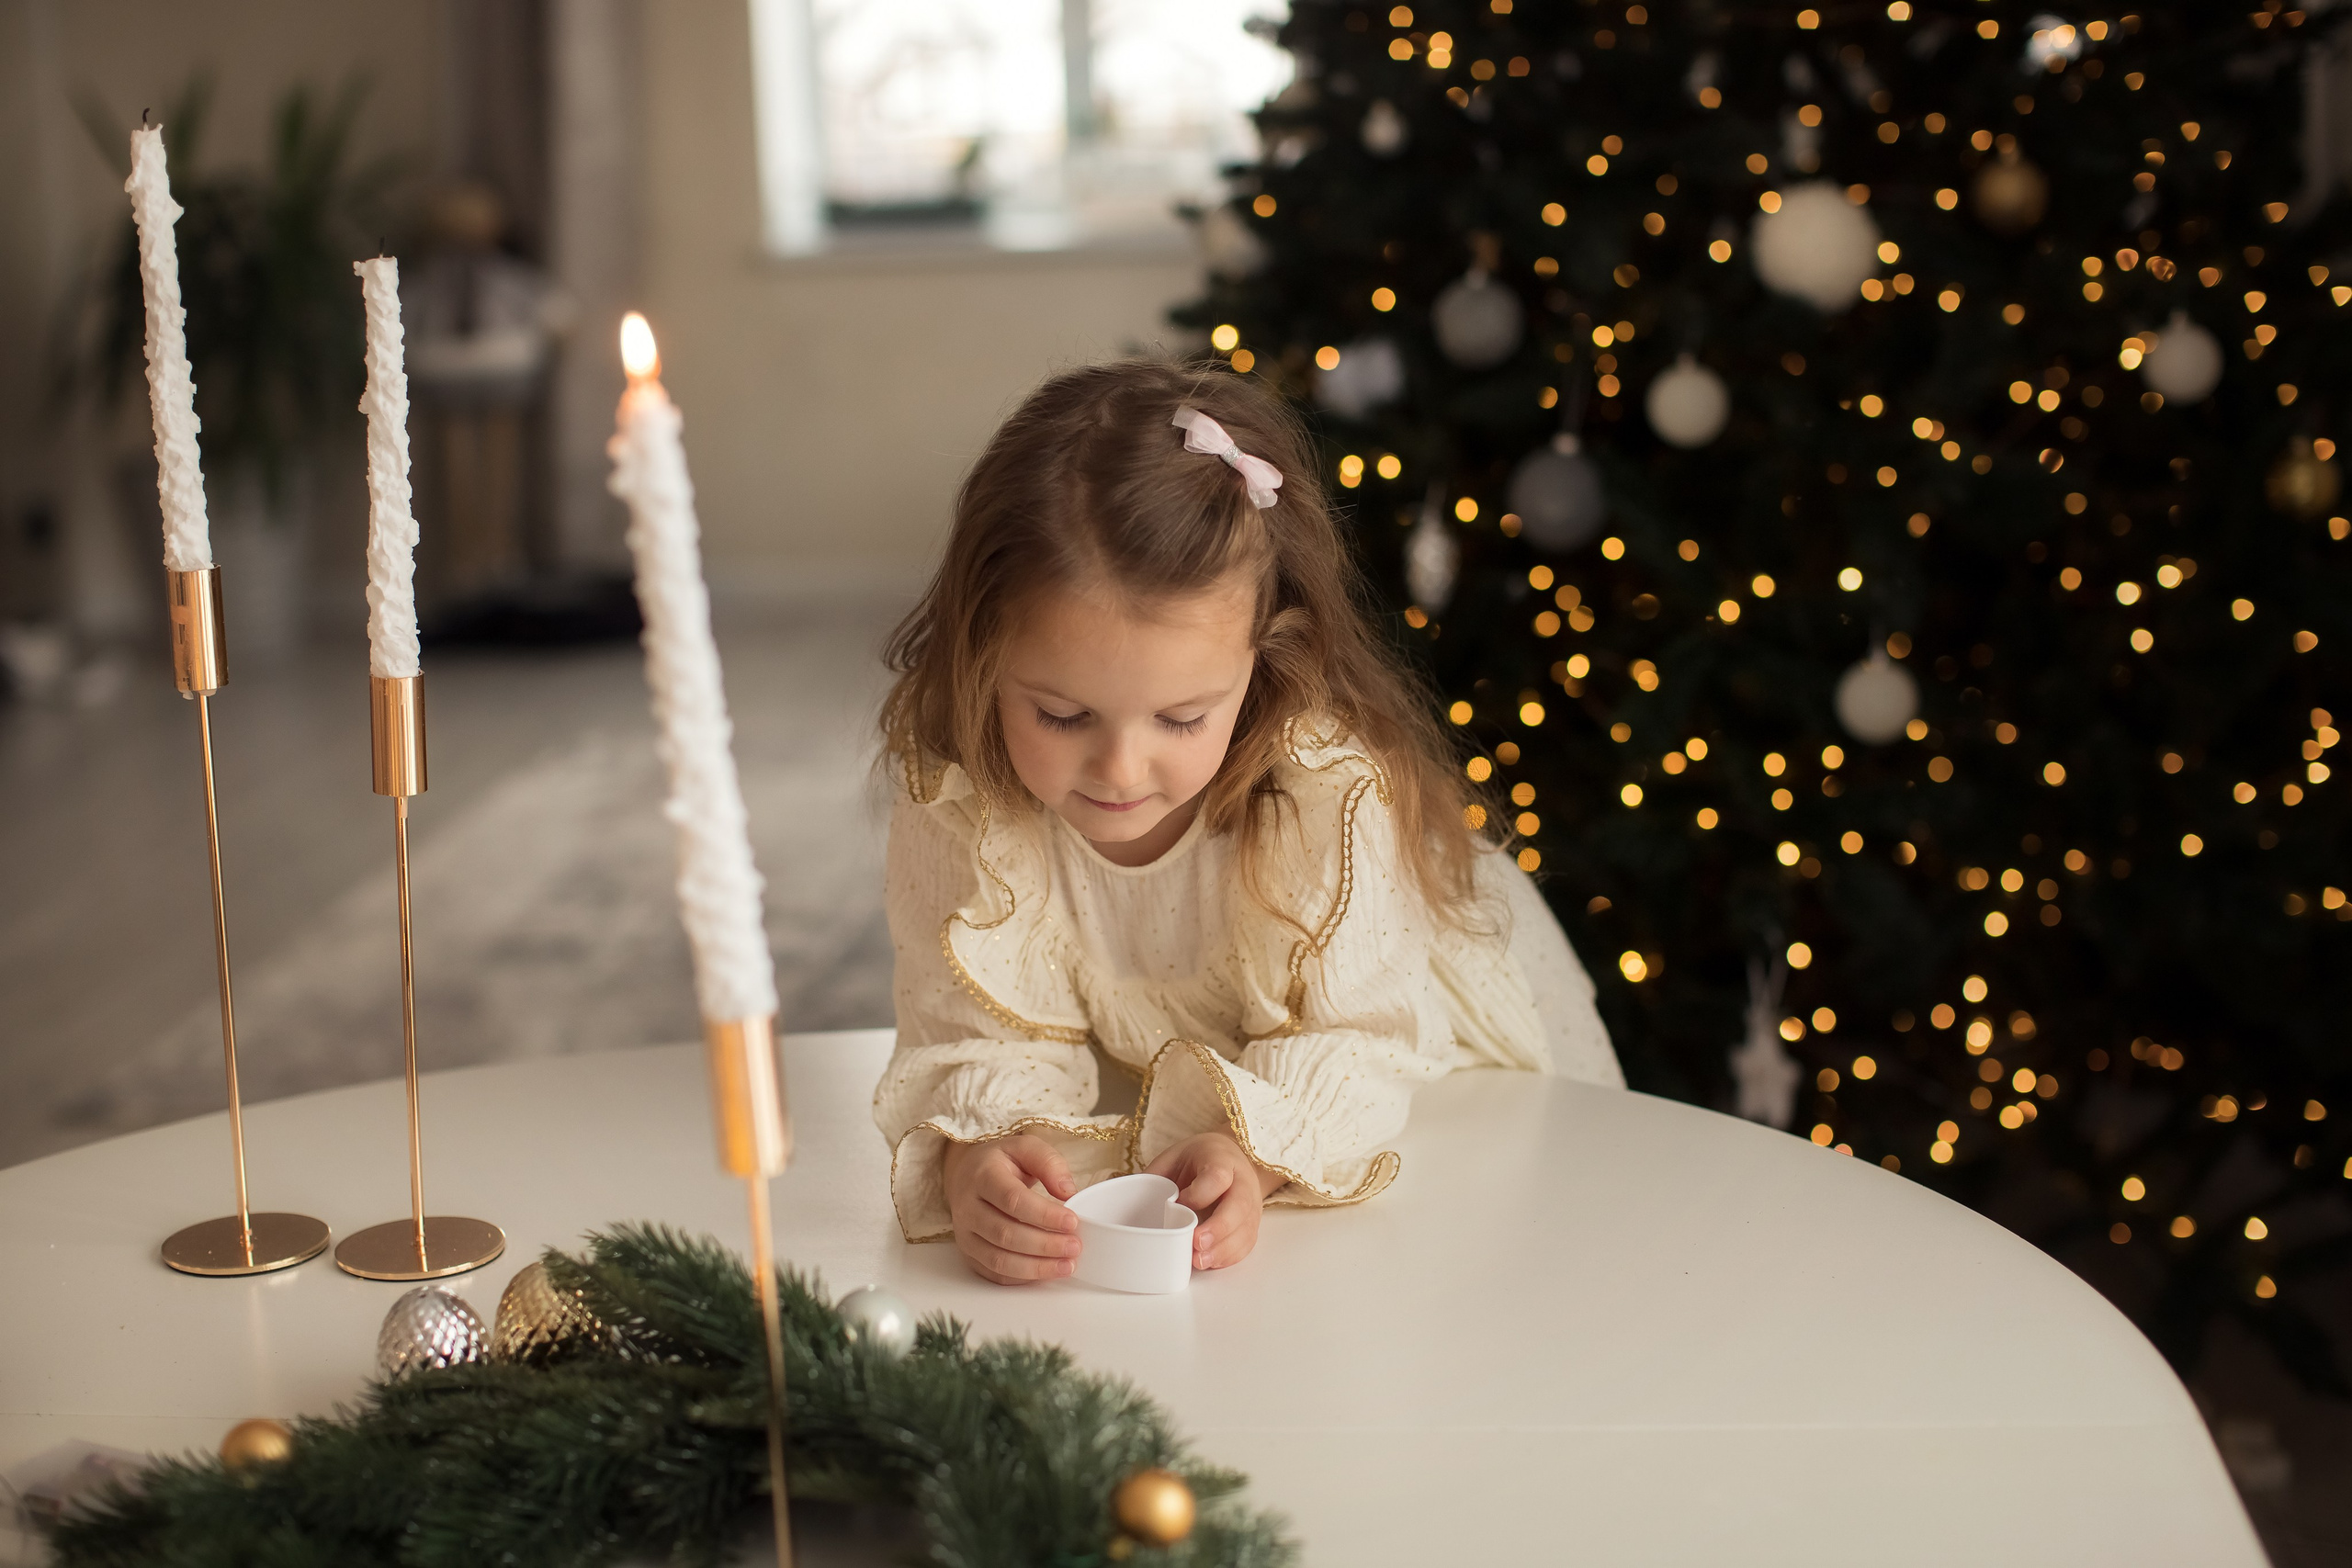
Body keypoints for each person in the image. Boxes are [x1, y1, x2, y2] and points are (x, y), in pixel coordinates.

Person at [873, 358, 1616, 1286]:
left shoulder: (1324, 796)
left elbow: (1356, 1039)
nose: (1119, 769)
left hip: (1420, 1044)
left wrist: (1257, 1150)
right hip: (1181, 1069)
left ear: (1263, 664)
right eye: (1061, 716)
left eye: (1181, 719)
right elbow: (975, 1023)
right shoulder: (960, 796)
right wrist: (989, 1146)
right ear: (982, 650)